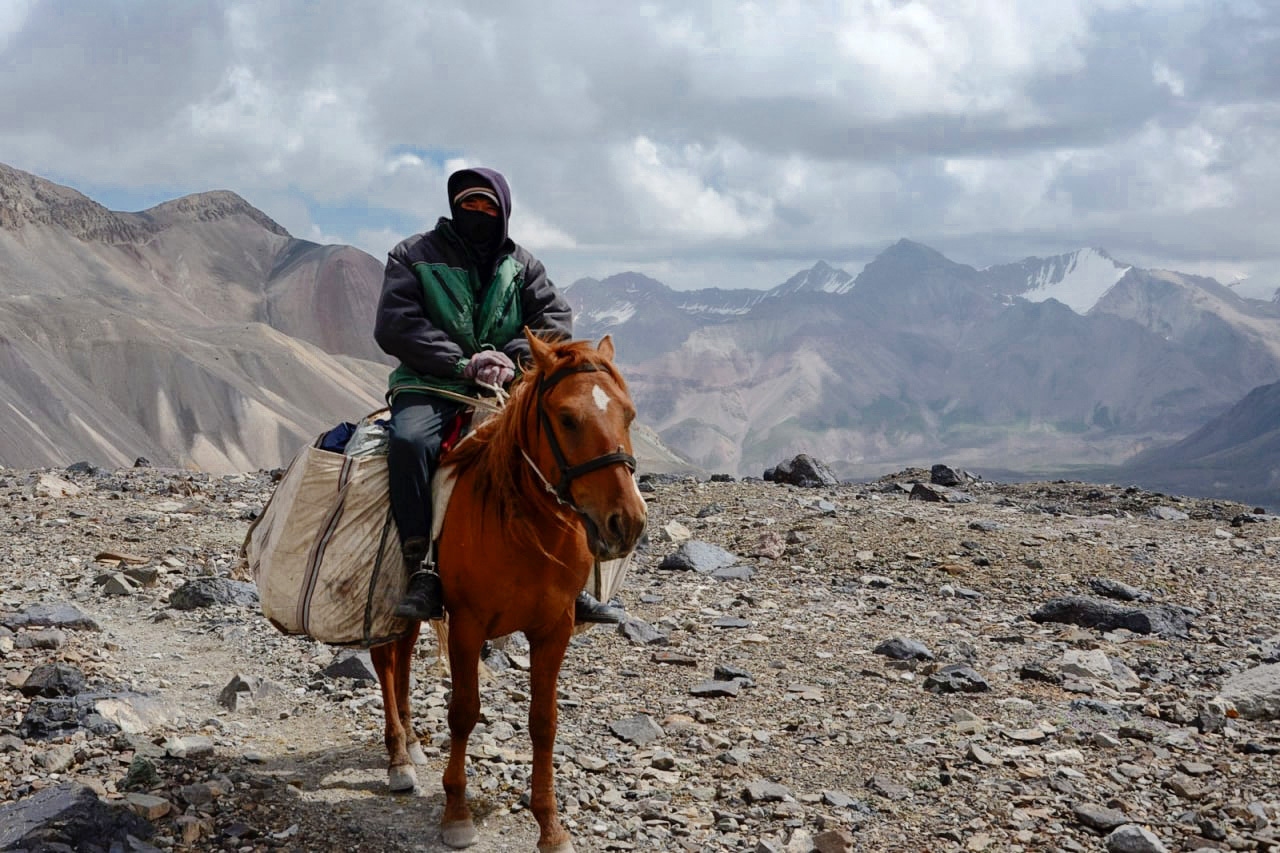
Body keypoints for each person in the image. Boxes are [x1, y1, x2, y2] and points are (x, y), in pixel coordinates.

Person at [373, 167, 625, 624]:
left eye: (488, 206)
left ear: (504, 212)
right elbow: (397, 323)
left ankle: (575, 579)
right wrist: (461, 363)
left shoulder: (523, 266)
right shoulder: (413, 255)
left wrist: (511, 358)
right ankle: (422, 567)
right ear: (454, 207)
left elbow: (553, 320)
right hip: (431, 383)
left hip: (505, 386)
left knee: (560, 451)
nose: (479, 213)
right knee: (411, 443)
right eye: (469, 205)